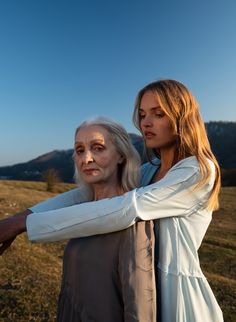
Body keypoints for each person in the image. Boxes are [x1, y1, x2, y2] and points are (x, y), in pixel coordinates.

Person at [0, 79, 224, 322]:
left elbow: (127, 208)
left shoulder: (198, 171)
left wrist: (25, 225)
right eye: (142, 114)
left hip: (177, 296)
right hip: (142, 284)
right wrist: (20, 218)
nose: (145, 122)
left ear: (183, 117)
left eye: (158, 114)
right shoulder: (150, 170)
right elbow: (83, 196)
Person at [0, 117, 156, 322]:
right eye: (80, 150)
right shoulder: (80, 212)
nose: (86, 159)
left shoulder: (132, 222)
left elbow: (140, 311)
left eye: (98, 148)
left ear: (120, 155)